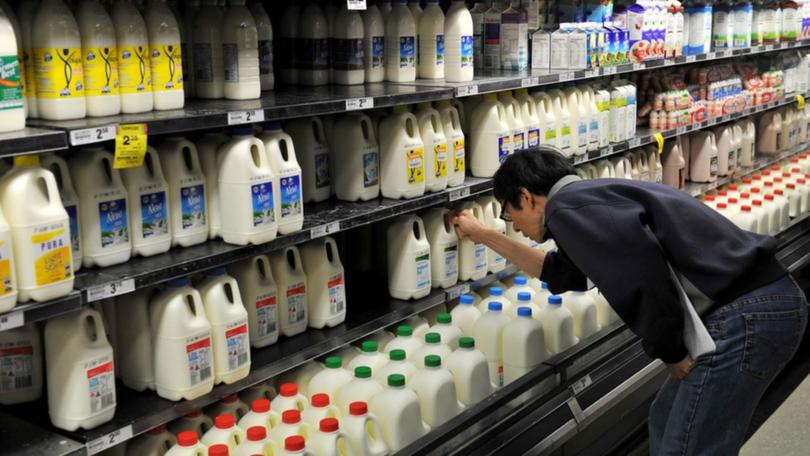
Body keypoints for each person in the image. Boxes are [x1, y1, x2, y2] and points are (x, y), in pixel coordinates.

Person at [452, 146, 808, 455]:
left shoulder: (566, 208)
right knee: (666, 417)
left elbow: (640, 275)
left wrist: (672, 352)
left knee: (684, 449)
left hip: (746, 315)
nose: (512, 225)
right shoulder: (588, 200)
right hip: (761, 306)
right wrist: (481, 235)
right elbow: (560, 273)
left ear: (527, 197)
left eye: (507, 213)